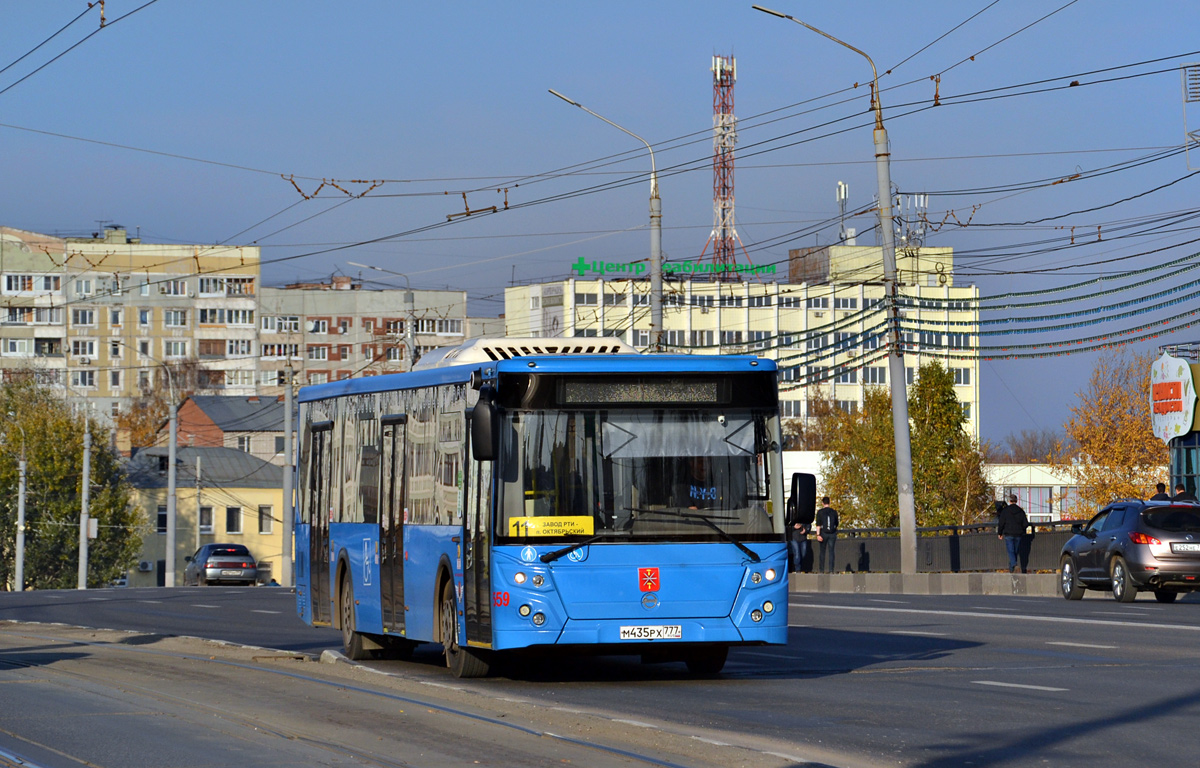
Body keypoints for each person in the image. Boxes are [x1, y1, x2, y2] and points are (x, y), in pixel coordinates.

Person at [996, 494, 1029, 573]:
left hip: (1008, 533)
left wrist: (1000, 533)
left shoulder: (1005, 511)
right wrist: (1021, 529)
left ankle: (1014, 564)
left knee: (1011, 551)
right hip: (1018, 534)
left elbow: (1001, 523)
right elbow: (1025, 524)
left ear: (1009, 501)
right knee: (1015, 551)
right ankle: (1011, 568)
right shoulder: (1020, 511)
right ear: (1016, 501)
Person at [815, 497, 839, 573]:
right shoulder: (834, 512)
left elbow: (818, 524)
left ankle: (821, 570)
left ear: (822, 503)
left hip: (823, 533)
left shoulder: (820, 512)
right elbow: (836, 523)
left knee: (822, 552)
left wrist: (818, 535)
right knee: (831, 552)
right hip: (832, 534)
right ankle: (831, 570)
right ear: (829, 502)